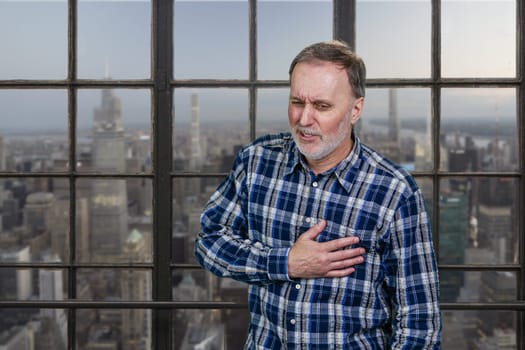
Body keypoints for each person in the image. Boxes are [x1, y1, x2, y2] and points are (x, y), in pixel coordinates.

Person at [195, 40, 441, 349]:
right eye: (297, 102)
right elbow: (209, 241)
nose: (304, 119)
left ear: (355, 109)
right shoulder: (256, 161)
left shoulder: (394, 192)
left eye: (322, 106)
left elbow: (419, 325)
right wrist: (284, 263)